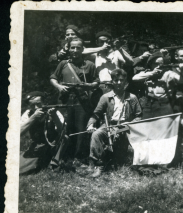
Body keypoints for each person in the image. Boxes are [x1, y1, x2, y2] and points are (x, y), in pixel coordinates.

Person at [50, 37, 98, 166]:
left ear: (83, 49)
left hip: (81, 102)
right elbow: (53, 78)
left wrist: (89, 86)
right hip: (64, 101)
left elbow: (96, 82)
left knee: (80, 130)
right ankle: (62, 156)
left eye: (78, 47)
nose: (75, 50)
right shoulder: (63, 64)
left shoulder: (89, 65)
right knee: (64, 128)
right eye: (72, 47)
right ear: (69, 49)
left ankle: (78, 157)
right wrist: (59, 87)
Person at [87, 69, 142, 177]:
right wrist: (90, 124)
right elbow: (96, 113)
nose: (119, 83)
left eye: (121, 80)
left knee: (120, 159)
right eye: (116, 80)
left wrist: (130, 125)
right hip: (109, 125)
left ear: (126, 81)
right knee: (96, 134)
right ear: (112, 82)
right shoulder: (105, 97)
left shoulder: (132, 97)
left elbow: (139, 115)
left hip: (126, 126)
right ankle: (98, 164)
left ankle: (135, 164)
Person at [20, 91, 68, 175]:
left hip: (54, 145)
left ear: (44, 102)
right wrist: (33, 117)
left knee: (65, 138)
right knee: (19, 168)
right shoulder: (28, 114)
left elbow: (63, 131)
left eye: (38, 104)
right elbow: (18, 133)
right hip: (38, 145)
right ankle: (42, 162)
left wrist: (54, 116)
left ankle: (54, 164)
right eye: (32, 105)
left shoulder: (54, 111)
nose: (36, 107)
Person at [132, 51, 174, 119]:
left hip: (163, 103)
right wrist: (152, 73)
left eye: (161, 64)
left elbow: (177, 78)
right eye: (155, 64)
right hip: (149, 104)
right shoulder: (147, 73)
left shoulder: (167, 73)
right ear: (151, 64)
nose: (158, 66)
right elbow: (134, 78)